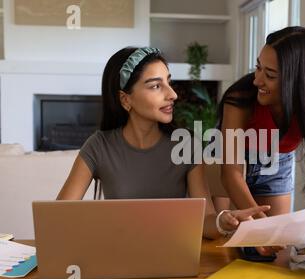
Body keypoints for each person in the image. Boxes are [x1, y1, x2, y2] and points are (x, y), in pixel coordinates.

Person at [57, 46, 269, 239]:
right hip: (117, 254)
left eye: (169, 82)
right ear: (125, 99)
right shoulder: (98, 146)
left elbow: (206, 221)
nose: (173, 94)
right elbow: (59, 217)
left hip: (173, 255)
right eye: (156, 86)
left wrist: (223, 222)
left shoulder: (186, 145)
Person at [219, 26, 305, 254]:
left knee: (274, 251)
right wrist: (263, 227)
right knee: (229, 243)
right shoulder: (240, 98)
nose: (257, 80)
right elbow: (230, 172)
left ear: (299, 81)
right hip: (231, 164)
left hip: (277, 163)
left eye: (270, 75)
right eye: (258, 67)